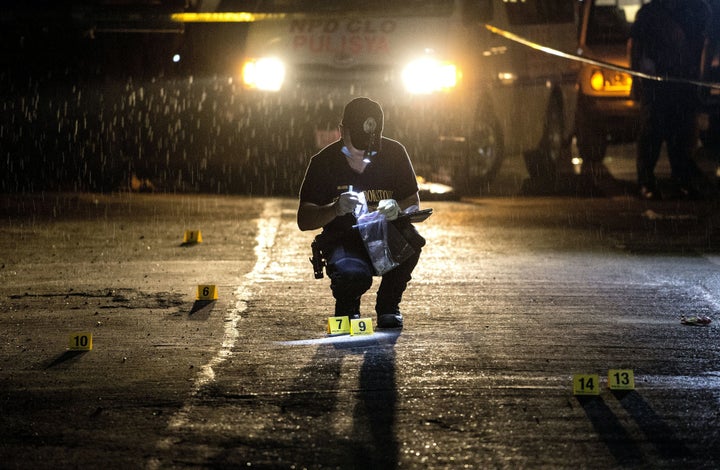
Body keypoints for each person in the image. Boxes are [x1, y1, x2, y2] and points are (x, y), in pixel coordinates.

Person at [297, 97, 422, 329]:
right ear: (342, 131)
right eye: (358, 145)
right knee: (352, 277)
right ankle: (347, 308)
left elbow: (412, 200)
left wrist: (397, 207)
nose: (365, 153)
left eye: (371, 147)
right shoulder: (323, 163)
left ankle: (388, 305)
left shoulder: (395, 153)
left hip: (382, 235)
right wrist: (334, 209)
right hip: (344, 239)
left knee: (412, 241)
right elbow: (304, 219)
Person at [629, 0, 711, 200]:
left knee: (682, 133)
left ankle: (682, 180)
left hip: (684, 80)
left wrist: (703, 78)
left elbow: (705, 45)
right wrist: (635, 78)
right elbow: (635, 45)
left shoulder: (696, 9)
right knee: (652, 131)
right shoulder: (650, 13)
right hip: (656, 84)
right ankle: (646, 181)